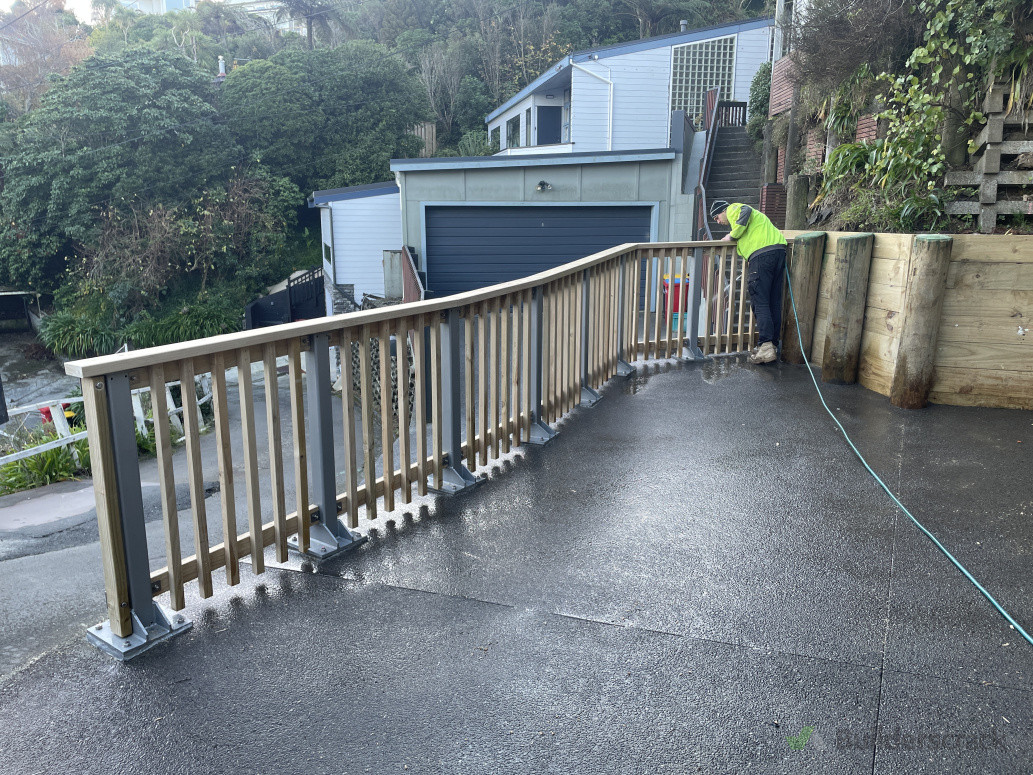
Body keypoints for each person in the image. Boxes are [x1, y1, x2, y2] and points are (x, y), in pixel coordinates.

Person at [709, 200, 788, 365]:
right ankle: (772, 345)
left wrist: (731, 236)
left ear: (723, 211)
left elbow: (744, 210)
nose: (718, 221)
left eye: (717, 217)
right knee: (773, 301)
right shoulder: (752, 224)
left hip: (763, 255)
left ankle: (766, 347)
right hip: (778, 252)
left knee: (760, 301)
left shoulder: (733, 209)